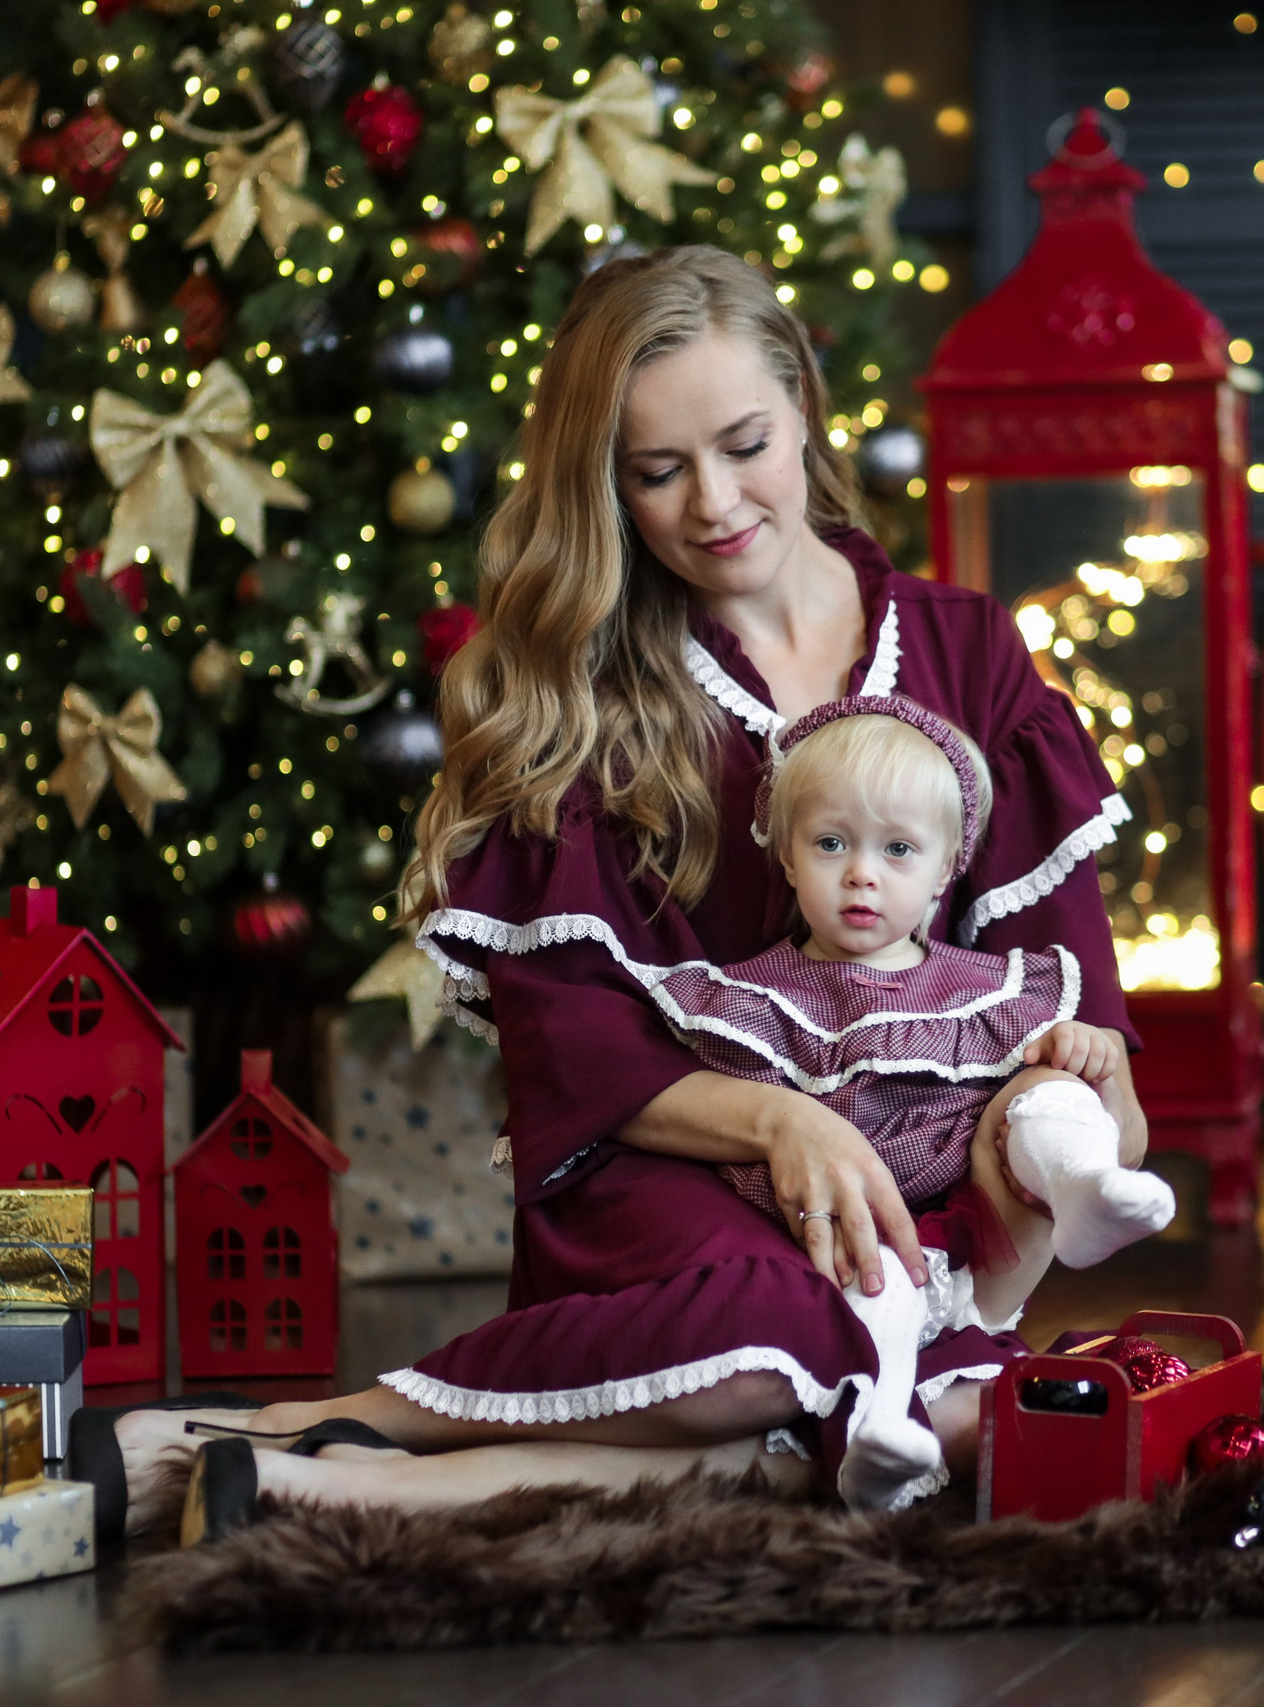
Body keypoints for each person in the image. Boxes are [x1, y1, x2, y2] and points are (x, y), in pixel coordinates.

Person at [75, 244, 1148, 1543]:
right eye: (657, 471)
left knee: (907, 1410)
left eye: (745, 442)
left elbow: (1086, 1055)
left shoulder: (972, 650)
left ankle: (313, 1478)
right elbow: (570, 1046)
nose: (713, 502)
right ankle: (309, 1422)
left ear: (803, 402)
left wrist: (1048, 1141)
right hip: (668, 1175)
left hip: (913, 1200)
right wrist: (778, 1122)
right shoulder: (591, 694)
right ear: (608, 483)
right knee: (788, 1352)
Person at [643, 694, 1175, 1511]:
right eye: (831, 844)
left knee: (1052, 1092)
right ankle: (882, 1427)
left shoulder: (988, 989)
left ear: (944, 868)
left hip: (968, 1207)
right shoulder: (749, 997)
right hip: (847, 1229)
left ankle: (1083, 1189)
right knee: (876, 1280)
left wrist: (1087, 1054)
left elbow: (1056, 1071)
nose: (863, 872)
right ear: (786, 854)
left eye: (898, 849)